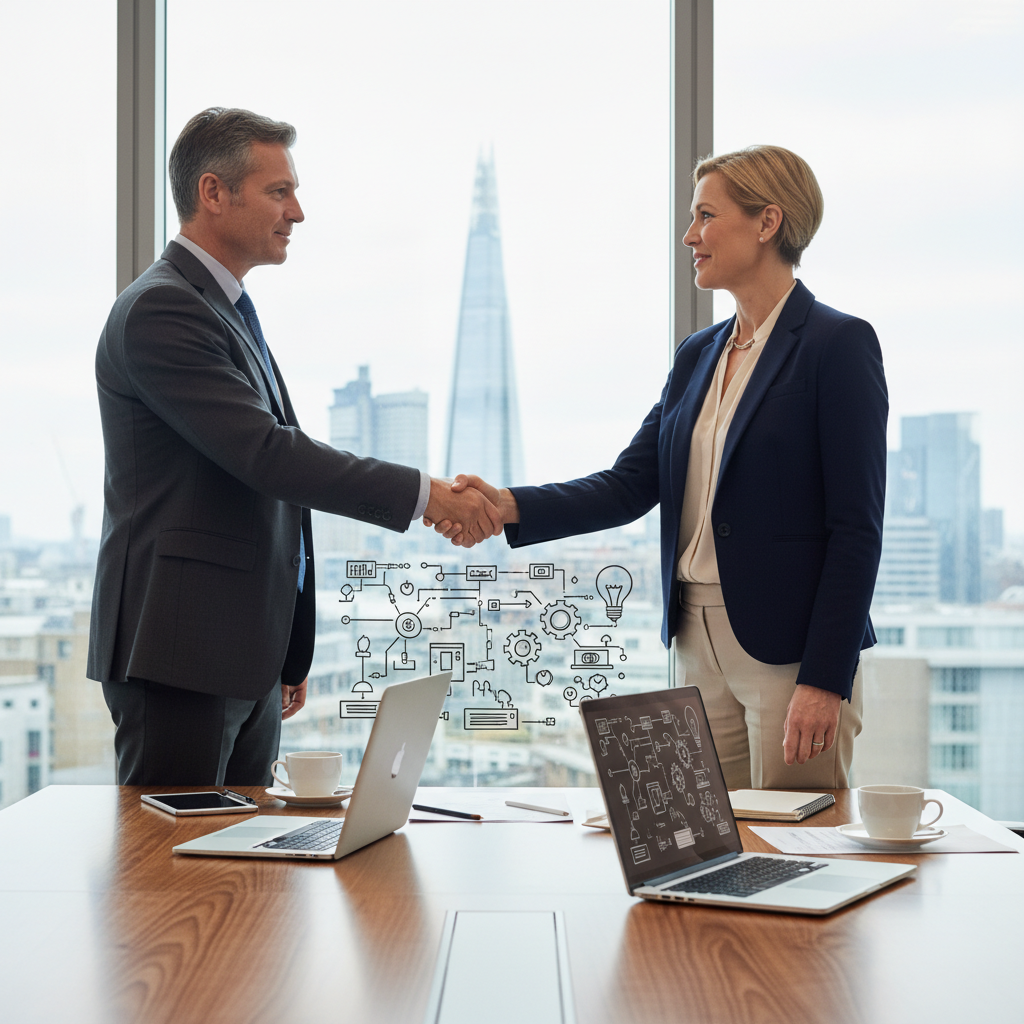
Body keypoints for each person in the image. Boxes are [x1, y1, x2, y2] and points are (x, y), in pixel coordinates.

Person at [433, 145, 887, 790]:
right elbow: (630, 485)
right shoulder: (698, 354)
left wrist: (825, 675)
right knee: (713, 840)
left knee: (795, 844)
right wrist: (508, 505)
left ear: (767, 223)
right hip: (695, 635)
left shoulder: (837, 346)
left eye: (706, 215)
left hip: (790, 647)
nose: (690, 235)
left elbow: (857, 527)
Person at [89, 107, 502, 786]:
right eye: (279, 191)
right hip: (180, 654)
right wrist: (429, 495)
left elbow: (263, 480)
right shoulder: (161, 310)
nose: (298, 211)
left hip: (238, 656)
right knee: (172, 875)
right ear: (213, 193)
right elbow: (270, 456)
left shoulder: (222, 308)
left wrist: (285, 653)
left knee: (245, 880)